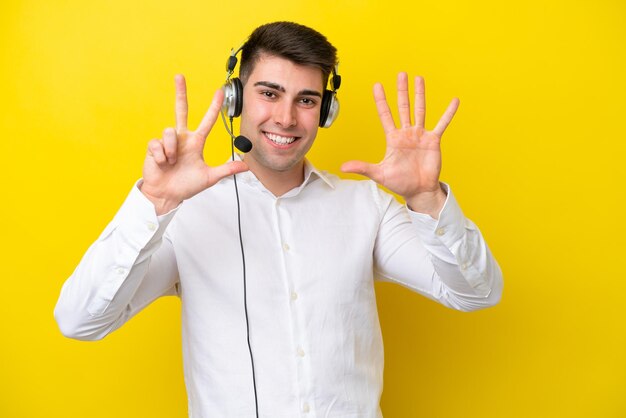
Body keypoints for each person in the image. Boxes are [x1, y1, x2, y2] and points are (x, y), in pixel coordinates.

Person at [55, 21, 503, 417]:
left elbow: (477, 293)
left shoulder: (366, 206)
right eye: (269, 93)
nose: (286, 118)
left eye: (306, 100)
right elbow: (79, 321)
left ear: (326, 111)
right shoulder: (186, 215)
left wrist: (427, 198)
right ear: (235, 99)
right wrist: (153, 202)